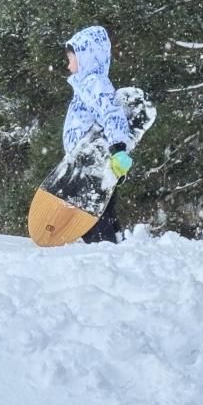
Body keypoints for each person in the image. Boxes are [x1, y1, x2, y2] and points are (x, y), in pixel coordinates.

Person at [63, 25, 133, 243]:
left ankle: (103, 246)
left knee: (94, 208)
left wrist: (118, 148)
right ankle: (111, 242)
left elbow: (112, 113)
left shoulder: (95, 83)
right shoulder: (84, 86)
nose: (68, 64)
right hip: (85, 162)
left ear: (86, 56)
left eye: (71, 58)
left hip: (96, 161)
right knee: (98, 207)